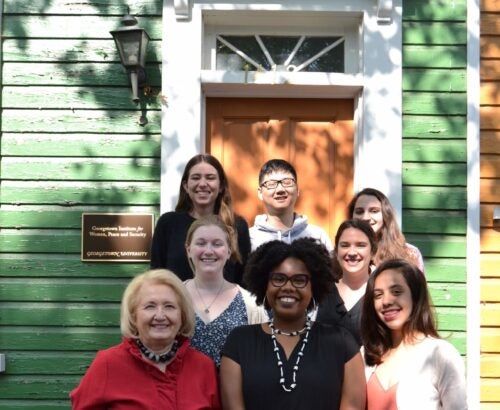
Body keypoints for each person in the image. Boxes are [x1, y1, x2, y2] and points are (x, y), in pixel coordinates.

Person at [220, 238, 366, 410]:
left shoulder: (342, 343)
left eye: (299, 280)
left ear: (314, 287)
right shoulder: (239, 342)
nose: (288, 287)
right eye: (278, 278)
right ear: (264, 285)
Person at [70, 269, 220, 409]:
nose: (160, 316)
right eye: (150, 306)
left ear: (182, 315)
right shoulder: (108, 364)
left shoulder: (203, 366)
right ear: (134, 315)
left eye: (169, 306)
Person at [361, 259, 467, 409]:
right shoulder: (365, 354)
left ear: (415, 297)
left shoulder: (441, 354)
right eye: (378, 295)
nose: (386, 301)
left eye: (396, 292)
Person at [150, 154, 251, 284]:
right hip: (179, 303)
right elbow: (156, 276)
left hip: (225, 303)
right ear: (186, 186)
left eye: (210, 178)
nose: (202, 184)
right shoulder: (168, 224)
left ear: (221, 186)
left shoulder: (237, 226)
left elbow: (244, 279)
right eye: (196, 178)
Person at [184, 215, 268, 366]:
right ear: (189, 250)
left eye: (217, 244)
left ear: (229, 251)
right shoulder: (173, 297)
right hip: (183, 389)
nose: (208, 251)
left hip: (235, 389)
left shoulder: (251, 304)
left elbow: (262, 358)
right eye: (201, 243)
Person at [315, 219, 377, 346]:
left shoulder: (380, 293)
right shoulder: (322, 291)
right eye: (345, 245)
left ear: (372, 252)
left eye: (360, 245)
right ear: (336, 252)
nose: (352, 252)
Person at [249, 159, 333, 252]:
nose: (280, 189)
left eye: (287, 182)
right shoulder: (248, 240)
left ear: (297, 190)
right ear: (260, 193)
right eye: (271, 184)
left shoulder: (317, 237)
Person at [348, 187, 425, 272]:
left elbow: (418, 285)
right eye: (359, 212)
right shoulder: (340, 255)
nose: (365, 217)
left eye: (374, 211)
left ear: (385, 215)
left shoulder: (409, 254)